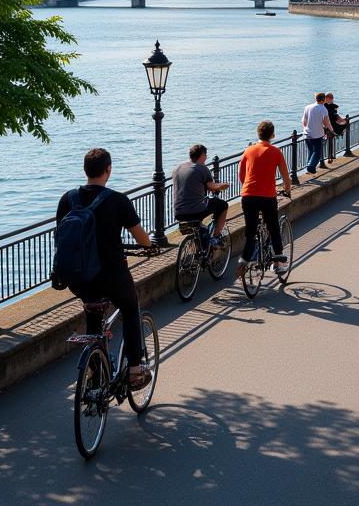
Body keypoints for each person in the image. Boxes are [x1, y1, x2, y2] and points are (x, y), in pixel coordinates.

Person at [56, 148, 154, 390]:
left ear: (85, 170)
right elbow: (142, 239)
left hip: (77, 278)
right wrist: (150, 245)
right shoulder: (117, 200)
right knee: (131, 309)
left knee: (93, 313)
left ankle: (95, 373)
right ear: (108, 169)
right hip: (111, 276)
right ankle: (134, 370)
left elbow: (60, 236)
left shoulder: (67, 199)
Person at [236, 120, 292, 278]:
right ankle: (279, 263)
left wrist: (248, 188)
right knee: (273, 227)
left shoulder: (248, 150)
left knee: (251, 231)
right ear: (272, 134)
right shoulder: (275, 151)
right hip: (267, 197)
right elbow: (286, 177)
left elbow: (241, 175)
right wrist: (287, 190)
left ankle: (244, 260)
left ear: (258, 134)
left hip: (248, 195)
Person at [172, 143, 230, 244]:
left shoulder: (177, 169)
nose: (206, 157)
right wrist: (223, 186)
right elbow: (212, 187)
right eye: (206, 155)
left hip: (179, 212)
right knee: (223, 205)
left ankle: (198, 247)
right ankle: (216, 236)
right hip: (195, 210)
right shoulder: (201, 168)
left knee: (200, 229)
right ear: (202, 155)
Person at [302, 92, 335, 175]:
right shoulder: (323, 109)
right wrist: (331, 130)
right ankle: (310, 167)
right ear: (323, 99)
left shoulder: (307, 107)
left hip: (307, 134)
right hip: (317, 134)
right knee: (317, 152)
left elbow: (304, 121)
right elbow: (327, 122)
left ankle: (309, 169)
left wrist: (305, 129)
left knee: (311, 151)